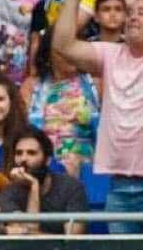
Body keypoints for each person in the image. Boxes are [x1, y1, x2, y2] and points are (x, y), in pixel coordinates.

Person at [52, 0, 143, 234]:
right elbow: (63, 45)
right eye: (130, 12)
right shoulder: (110, 54)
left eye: (142, 13)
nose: (132, 17)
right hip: (120, 189)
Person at [20, 29, 100, 179]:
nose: (71, 56)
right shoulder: (31, 86)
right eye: (65, 51)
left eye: (75, 51)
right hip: (43, 165)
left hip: (88, 167)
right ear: (49, 55)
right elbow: (23, 131)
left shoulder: (95, 84)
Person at [0, 126, 88, 235]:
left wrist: (26, 232)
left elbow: (72, 243)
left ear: (48, 160)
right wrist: (34, 187)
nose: (23, 159)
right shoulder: (8, 193)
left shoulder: (71, 188)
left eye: (31, 153)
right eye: (19, 153)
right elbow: (27, 243)